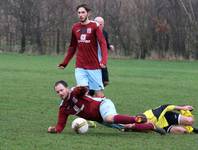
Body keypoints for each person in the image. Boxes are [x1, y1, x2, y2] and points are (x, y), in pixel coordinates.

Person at [48, 80, 165, 134]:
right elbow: (60, 126)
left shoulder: (74, 92)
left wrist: (81, 88)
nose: (60, 93)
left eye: (61, 90)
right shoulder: (63, 108)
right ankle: (151, 126)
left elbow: (83, 90)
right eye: (57, 92)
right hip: (99, 119)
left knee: (108, 118)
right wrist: (53, 130)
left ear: (67, 88)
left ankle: (138, 118)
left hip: (102, 105)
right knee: (126, 128)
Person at [58, 4, 108, 98]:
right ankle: (87, 111)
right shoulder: (75, 27)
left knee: (98, 94)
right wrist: (65, 62)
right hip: (80, 66)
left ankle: (104, 111)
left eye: (83, 12)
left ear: (88, 13)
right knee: (82, 92)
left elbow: (103, 43)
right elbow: (72, 46)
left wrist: (104, 60)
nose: (81, 14)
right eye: (79, 13)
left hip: (94, 66)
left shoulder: (94, 26)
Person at [124, 104, 198, 134]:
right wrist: (126, 128)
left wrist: (182, 108)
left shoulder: (154, 114)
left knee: (190, 121)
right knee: (183, 131)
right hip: (163, 126)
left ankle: (184, 109)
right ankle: (193, 129)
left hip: (165, 117)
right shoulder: (141, 126)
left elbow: (166, 106)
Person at [94, 16, 114, 87]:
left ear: (103, 25)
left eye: (101, 24)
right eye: (97, 24)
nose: (99, 25)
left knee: (105, 81)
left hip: (102, 58)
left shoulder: (105, 33)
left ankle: (95, 91)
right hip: (92, 58)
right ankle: (93, 92)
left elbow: (106, 43)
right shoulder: (91, 33)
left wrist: (109, 46)